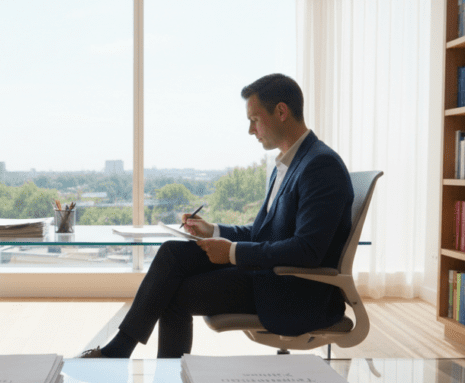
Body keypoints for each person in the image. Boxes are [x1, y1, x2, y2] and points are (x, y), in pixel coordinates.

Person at [80, 73, 354, 359]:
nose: (251, 129)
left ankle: (150, 370)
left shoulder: (320, 166)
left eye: (255, 119)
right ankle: (121, 351)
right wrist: (213, 230)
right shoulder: (287, 164)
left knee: (171, 293)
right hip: (269, 275)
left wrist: (233, 253)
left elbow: (308, 250)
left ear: (281, 112)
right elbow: (263, 233)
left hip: (291, 292)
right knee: (173, 253)